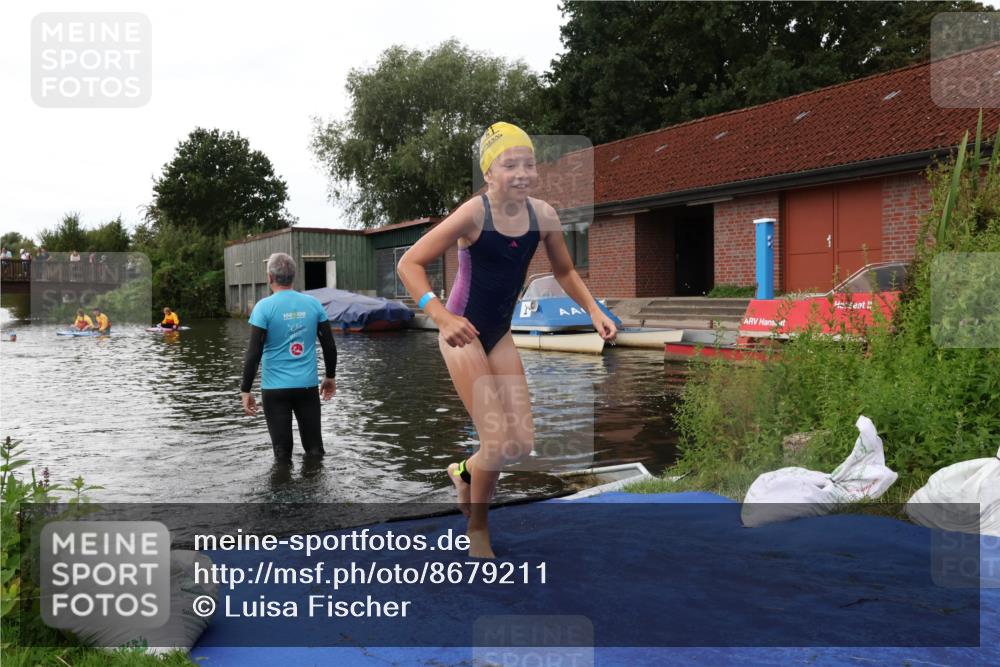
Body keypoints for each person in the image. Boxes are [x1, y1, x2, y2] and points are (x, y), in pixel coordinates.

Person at [397, 122, 617, 558]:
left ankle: (463, 471)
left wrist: (594, 311)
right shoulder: (473, 214)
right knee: (496, 443)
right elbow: (409, 263)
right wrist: (440, 317)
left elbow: (564, 271)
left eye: (529, 164)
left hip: (498, 333)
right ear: (489, 173)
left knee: (519, 444)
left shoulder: (544, 216)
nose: (522, 173)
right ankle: (477, 528)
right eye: (509, 165)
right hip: (462, 333)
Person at [240, 252, 338, 461]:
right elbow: (329, 346)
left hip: (274, 390)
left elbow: (254, 353)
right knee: (315, 450)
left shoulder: (263, 307)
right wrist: (330, 376)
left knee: (282, 454)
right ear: (294, 276)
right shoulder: (313, 304)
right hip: (306, 387)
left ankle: (283, 481)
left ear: (270, 278)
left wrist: (245, 390)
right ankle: (316, 481)